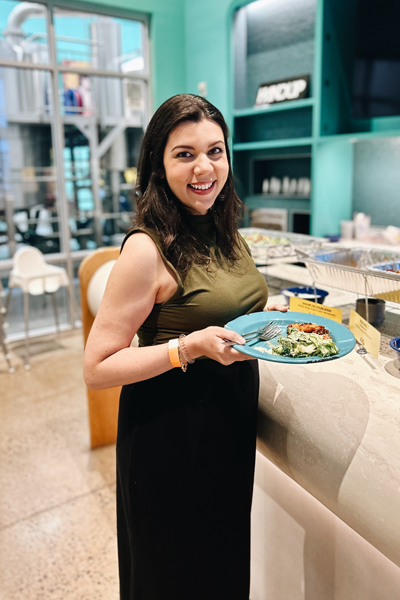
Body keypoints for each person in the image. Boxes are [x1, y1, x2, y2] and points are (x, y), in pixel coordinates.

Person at [83, 94, 287, 600]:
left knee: (219, 565)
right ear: (158, 163)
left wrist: (266, 318)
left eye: (215, 151)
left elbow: (222, 307)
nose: (205, 168)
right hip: (170, 433)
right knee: (172, 574)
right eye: (185, 154)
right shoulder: (146, 248)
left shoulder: (227, 230)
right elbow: (97, 366)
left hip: (228, 423)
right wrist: (186, 348)